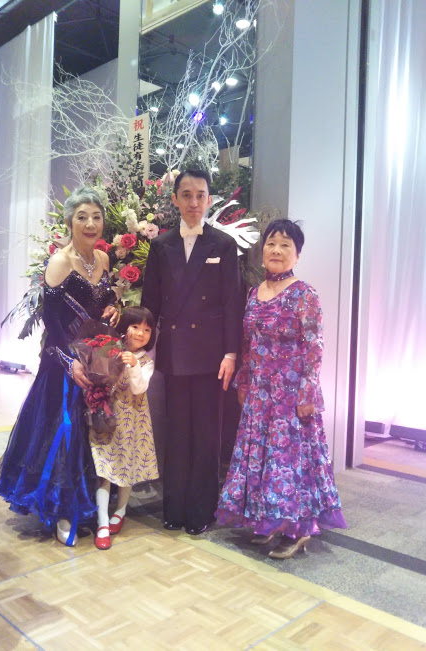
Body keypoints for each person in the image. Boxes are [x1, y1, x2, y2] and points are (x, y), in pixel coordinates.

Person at [215, 219, 347, 559]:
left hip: (291, 395)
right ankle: (270, 522)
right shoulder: (253, 293)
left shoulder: (305, 294)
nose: (276, 250)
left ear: (297, 255)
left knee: (290, 463)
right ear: (263, 251)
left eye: (285, 245)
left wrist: (307, 393)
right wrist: (244, 381)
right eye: (271, 243)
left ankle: (299, 529)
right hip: (260, 393)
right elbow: (248, 344)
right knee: (263, 460)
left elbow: (314, 347)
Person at [0, 186, 119, 546]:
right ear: (69, 222)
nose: (90, 223)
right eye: (82, 217)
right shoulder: (60, 262)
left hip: (94, 361)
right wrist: (70, 363)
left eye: (96, 217)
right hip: (62, 367)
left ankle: (89, 506)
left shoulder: (104, 259)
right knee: (64, 433)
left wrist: (115, 309)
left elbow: (103, 302)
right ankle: (60, 510)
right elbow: (51, 322)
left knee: (92, 434)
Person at [141, 169, 243, 535]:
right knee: (177, 432)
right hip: (174, 353)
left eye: (200, 195)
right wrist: (140, 350)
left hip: (213, 356)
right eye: (186, 195)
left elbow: (233, 303)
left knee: (207, 434)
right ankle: (175, 509)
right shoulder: (161, 245)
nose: (193, 202)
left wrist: (231, 353)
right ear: (174, 200)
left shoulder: (224, 244)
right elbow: (150, 303)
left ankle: (202, 511)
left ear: (209, 200)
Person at [92, 306, 158, 550]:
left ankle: (120, 511)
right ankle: (102, 522)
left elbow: (139, 388)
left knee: (127, 464)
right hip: (106, 416)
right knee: (104, 467)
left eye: (147, 330)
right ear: (124, 327)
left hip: (133, 420)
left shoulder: (146, 361)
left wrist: (133, 365)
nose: (140, 333)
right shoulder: (110, 349)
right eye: (135, 327)